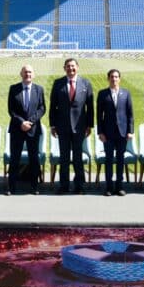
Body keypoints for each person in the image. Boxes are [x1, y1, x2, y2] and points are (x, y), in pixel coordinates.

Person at [49, 57, 94, 194]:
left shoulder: (86, 83)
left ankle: (79, 186)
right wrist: (52, 125)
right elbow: (53, 106)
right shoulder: (58, 83)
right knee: (64, 158)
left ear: (77, 67)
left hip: (80, 127)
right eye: (68, 66)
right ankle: (64, 186)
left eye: (73, 66)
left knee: (78, 158)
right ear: (64, 68)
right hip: (62, 127)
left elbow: (90, 107)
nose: (71, 68)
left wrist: (89, 125)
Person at [6, 65, 46, 195]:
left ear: (33, 74)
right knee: (14, 158)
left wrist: (31, 121)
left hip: (33, 129)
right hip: (17, 128)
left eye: (29, 72)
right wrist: (21, 122)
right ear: (21, 74)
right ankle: (11, 187)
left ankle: (34, 187)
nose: (27, 74)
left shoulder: (39, 89)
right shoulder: (14, 88)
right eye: (25, 72)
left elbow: (42, 108)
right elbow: (11, 109)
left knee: (34, 159)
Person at [97, 68, 134, 196]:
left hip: (122, 133)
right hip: (107, 133)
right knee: (108, 160)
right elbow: (99, 115)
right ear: (108, 79)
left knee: (120, 160)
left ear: (119, 79)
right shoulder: (102, 94)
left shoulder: (126, 93)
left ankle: (119, 186)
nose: (114, 79)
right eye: (112, 77)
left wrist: (130, 131)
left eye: (116, 77)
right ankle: (108, 187)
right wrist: (100, 132)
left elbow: (130, 114)